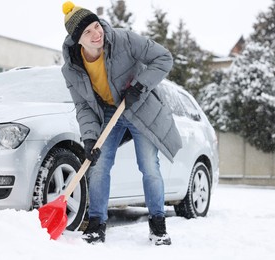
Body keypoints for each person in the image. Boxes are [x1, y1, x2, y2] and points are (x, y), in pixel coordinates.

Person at [61, 1, 182, 246]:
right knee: (98, 164)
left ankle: (158, 225)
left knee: (149, 165)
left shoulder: (123, 40)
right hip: (108, 114)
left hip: (140, 108)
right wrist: (89, 137)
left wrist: (139, 86)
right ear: (77, 40)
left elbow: (163, 58)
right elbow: (84, 107)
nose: (97, 34)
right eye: (88, 32)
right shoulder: (72, 70)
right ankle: (96, 225)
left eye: (97, 26)